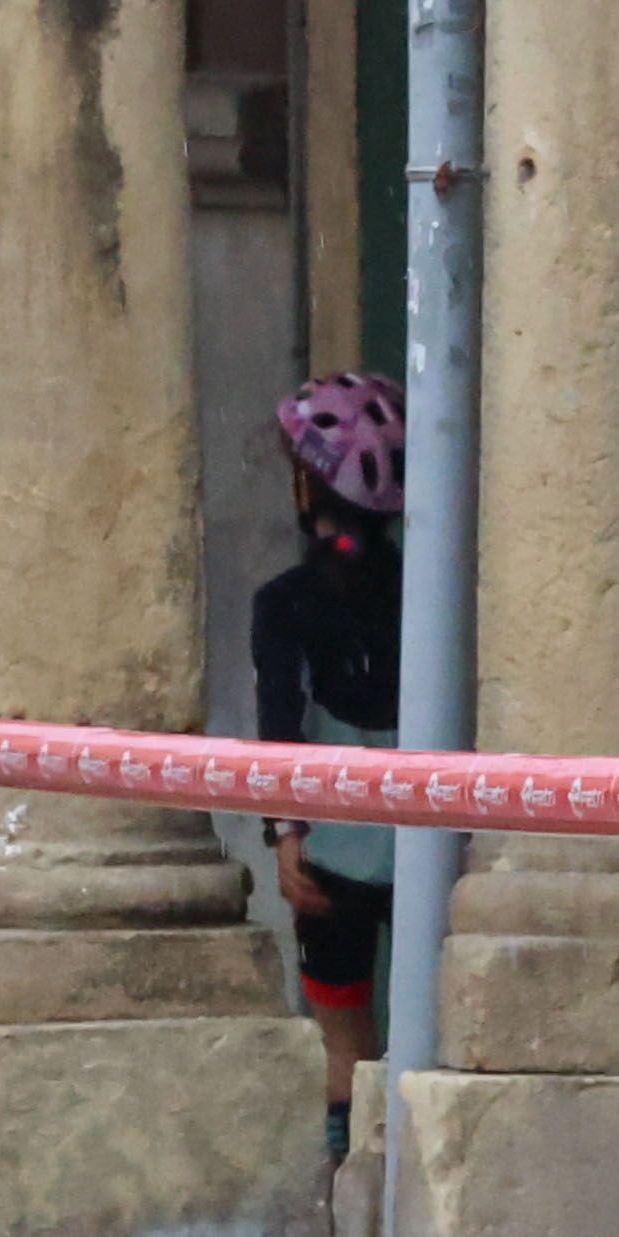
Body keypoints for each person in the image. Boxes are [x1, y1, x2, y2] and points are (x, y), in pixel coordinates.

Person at [253, 372, 405, 1109]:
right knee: (430, 1031)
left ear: (308, 489)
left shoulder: (285, 603)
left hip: (332, 846)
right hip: (429, 838)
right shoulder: (428, 589)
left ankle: (352, 1185)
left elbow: (279, 721)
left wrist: (286, 831)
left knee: (340, 1035)